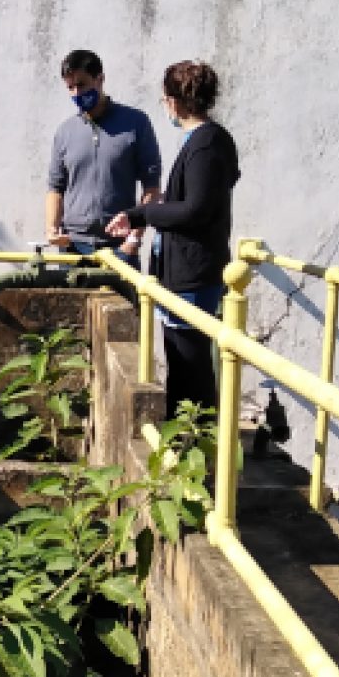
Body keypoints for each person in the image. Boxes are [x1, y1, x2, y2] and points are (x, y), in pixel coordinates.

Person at [106, 60, 238, 417]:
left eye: (165, 100)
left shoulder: (207, 145)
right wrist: (138, 214)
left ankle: (195, 442)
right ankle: (186, 439)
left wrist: (146, 214)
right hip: (185, 270)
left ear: (174, 102)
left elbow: (195, 209)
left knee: (190, 367)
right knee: (181, 363)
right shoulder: (204, 142)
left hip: (193, 272)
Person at [46, 49, 160, 261]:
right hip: (72, 248)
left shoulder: (136, 123)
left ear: (100, 79)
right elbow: (55, 188)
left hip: (119, 247)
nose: (76, 93)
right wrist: (52, 229)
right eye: (70, 87)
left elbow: (152, 188)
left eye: (82, 85)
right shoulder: (65, 132)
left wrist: (133, 239)